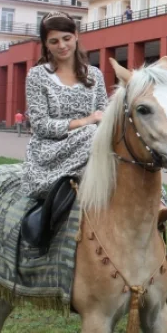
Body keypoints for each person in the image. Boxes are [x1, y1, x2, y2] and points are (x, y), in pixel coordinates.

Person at [20, 12, 108, 200]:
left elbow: (104, 113)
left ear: (76, 35)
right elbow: (40, 125)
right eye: (54, 41)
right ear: (45, 44)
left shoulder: (95, 75)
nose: (61, 46)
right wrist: (86, 121)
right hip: (51, 150)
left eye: (66, 38)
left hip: (94, 144)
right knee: (92, 132)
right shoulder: (37, 76)